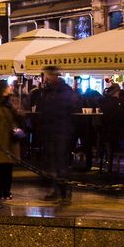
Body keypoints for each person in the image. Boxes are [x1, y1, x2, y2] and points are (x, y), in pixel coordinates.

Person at [30, 67, 80, 200]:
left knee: (60, 163)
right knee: (52, 163)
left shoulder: (62, 91)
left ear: (53, 75)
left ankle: (64, 192)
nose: (46, 78)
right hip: (52, 130)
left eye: (47, 75)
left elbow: (68, 109)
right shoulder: (49, 91)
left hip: (61, 130)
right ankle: (57, 190)